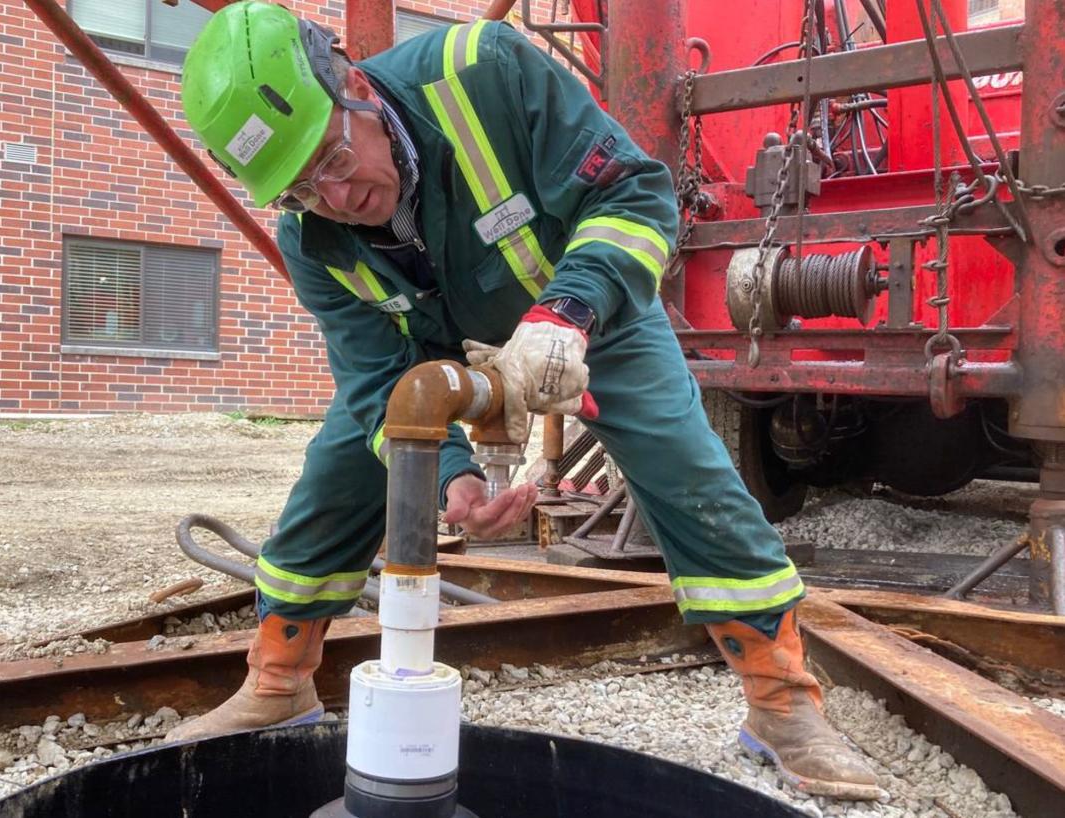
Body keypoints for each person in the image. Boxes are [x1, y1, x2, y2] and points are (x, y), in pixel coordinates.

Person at [166, 1, 879, 800]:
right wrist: (449, 477)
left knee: (681, 461)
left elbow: (638, 196)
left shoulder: (485, 71)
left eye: (333, 158)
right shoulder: (314, 241)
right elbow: (374, 379)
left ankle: (782, 703)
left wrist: (568, 313)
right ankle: (278, 676)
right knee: (344, 465)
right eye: (300, 189)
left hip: (586, 302)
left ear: (356, 85)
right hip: (440, 344)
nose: (335, 196)